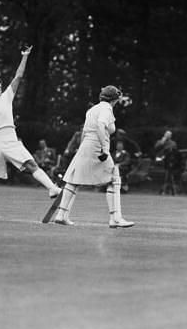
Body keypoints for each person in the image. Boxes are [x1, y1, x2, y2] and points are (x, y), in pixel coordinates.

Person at [0, 46, 60, 216]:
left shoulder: (6, 98)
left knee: (30, 164)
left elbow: (18, 76)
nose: (0, 88)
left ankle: (52, 188)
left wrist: (25, 56)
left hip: (10, 138)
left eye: (0, 86)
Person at [52, 85, 134, 228]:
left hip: (86, 145)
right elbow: (101, 125)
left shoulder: (92, 109)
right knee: (114, 178)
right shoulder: (106, 109)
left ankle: (61, 215)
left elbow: (84, 131)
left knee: (73, 180)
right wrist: (105, 148)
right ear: (113, 99)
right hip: (97, 145)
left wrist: (82, 148)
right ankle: (115, 218)